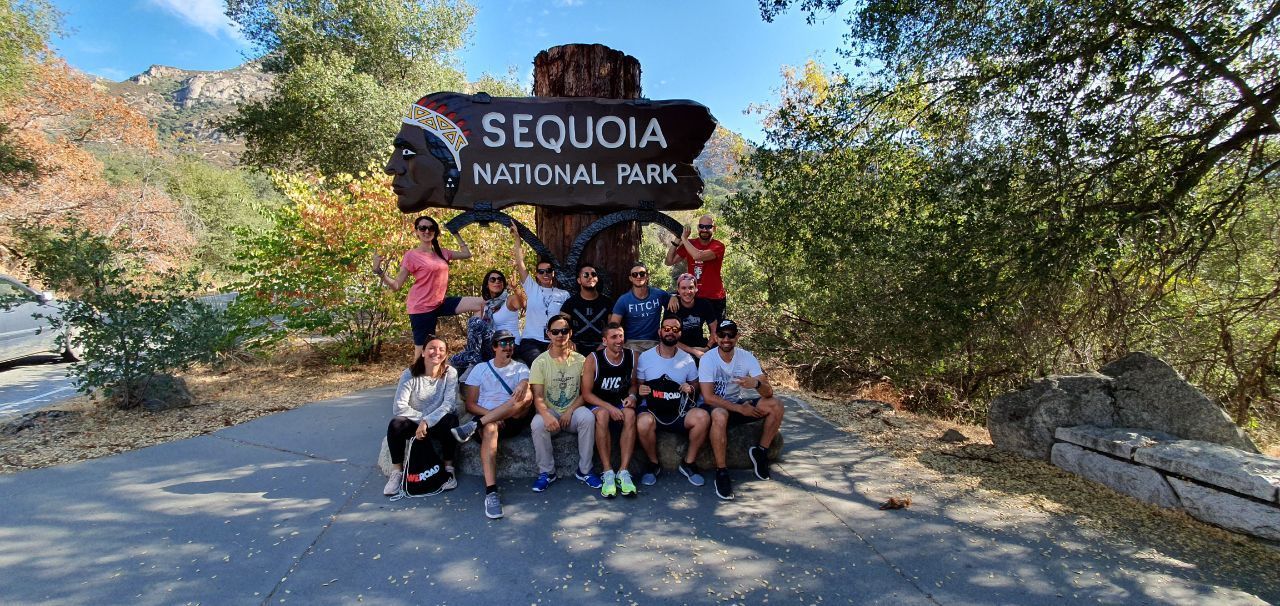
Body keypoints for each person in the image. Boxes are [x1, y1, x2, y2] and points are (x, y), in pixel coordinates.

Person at [372, 215, 483, 361]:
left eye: (431, 228)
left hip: (440, 303)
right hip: (421, 307)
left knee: (481, 304)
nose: (426, 231)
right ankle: (415, 380)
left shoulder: (442, 253)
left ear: (435, 232)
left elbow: (467, 254)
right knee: (423, 352)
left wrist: (456, 233)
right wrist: (379, 271)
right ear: (416, 232)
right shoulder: (411, 255)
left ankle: (472, 352)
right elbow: (396, 285)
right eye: (422, 228)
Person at [698, 320, 785, 501]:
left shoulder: (747, 357)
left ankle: (760, 452)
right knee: (720, 415)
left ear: (737, 337)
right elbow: (708, 397)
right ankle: (721, 471)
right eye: (722, 335)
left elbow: (768, 392)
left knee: (775, 405)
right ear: (715, 337)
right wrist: (740, 408)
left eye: (731, 335)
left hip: (737, 405)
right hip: (714, 408)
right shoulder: (708, 359)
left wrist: (756, 383)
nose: (726, 339)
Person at [456, 329, 533, 519]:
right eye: (503, 344)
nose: (508, 348)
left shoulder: (520, 368)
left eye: (511, 343)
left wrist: (524, 383)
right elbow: (471, 404)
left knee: (527, 395)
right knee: (490, 428)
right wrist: (492, 416)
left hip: (512, 418)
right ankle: (491, 492)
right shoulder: (480, 369)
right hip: (488, 418)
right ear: (494, 347)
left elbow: (525, 388)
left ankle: (474, 426)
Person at [528, 313, 603, 492]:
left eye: (564, 330)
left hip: (573, 410)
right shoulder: (540, 362)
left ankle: (585, 470)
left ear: (570, 333)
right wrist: (545, 415)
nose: (560, 335)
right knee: (537, 424)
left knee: (587, 417)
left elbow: (586, 393)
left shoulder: (580, 360)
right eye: (555, 331)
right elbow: (537, 395)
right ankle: (547, 472)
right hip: (551, 411)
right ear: (548, 334)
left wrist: (570, 411)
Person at [635, 317, 710, 487]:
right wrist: (640, 390)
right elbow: (638, 384)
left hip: (679, 411)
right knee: (643, 422)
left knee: (703, 417)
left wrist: (690, 388)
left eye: (675, 329)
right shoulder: (645, 357)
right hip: (653, 411)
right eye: (666, 328)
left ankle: (688, 463)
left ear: (680, 334)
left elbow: (695, 383)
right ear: (660, 331)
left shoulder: (687, 359)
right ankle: (653, 464)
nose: (670, 332)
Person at [383, 338, 462, 497]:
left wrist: (427, 421)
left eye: (441, 349)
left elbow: (448, 404)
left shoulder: (450, 373)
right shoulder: (409, 374)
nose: (436, 352)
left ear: (446, 354)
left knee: (451, 420)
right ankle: (397, 472)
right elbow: (399, 406)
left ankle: (448, 469)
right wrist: (421, 420)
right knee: (395, 424)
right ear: (423, 352)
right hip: (414, 423)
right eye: (432, 348)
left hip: (437, 422)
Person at [581, 322, 640, 498]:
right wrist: (608, 407)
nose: (619, 340)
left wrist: (632, 397)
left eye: (621, 336)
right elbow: (586, 394)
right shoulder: (593, 358)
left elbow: (633, 385)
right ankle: (607, 472)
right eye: (614, 337)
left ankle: (623, 472)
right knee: (603, 415)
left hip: (620, 402)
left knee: (630, 414)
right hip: (599, 403)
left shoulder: (632, 356)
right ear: (605, 341)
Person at [510, 223, 570, 366]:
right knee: (540, 365)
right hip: (532, 342)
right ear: (536, 275)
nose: (545, 274)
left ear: (553, 273)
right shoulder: (532, 288)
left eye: (548, 271)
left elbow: (568, 320)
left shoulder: (564, 294)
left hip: (556, 340)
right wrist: (517, 239)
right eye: (541, 272)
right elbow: (520, 263)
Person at [450, 269, 523, 373]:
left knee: (475, 322)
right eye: (492, 279)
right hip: (492, 346)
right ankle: (473, 359)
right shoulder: (486, 305)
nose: (497, 281)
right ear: (487, 285)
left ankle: (473, 361)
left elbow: (522, 304)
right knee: (451, 360)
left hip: (508, 344)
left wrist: (516, 289)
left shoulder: (509, 300)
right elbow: (474, 334)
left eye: (500, 279)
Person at [664, 214, 727, 322]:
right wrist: (676, 241)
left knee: (718, 332)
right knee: (691, 328)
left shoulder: (718, 246)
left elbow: (698, 256)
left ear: (714, 228)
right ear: (698, 227)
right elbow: (669, 261)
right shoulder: (691, 243)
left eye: (708, 227)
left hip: (715, 297)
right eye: (702, 226)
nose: (704, 229)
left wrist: (684, 239)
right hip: (694, 295)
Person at [609, 263, 669, 354]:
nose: (638, 276)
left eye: (642, 274)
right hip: (632, 343)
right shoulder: (624, 300)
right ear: (631, 278)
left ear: (647, 276)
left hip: (655, 342)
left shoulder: (658, 294)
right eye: (634, 274)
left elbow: (676, 299)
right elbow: (613, 325)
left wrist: (673, 297)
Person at [560, 261, 614, 356]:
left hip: (602, 348)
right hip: (575, 349)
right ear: (579, 280)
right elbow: (562, 327)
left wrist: (604, 344)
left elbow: (613, 327)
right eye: (586, 275)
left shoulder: (607, 303)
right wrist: (568, 341)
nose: (590, 277)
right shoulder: (569, 304)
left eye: (593, 274)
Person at [665, 272, 719, 362]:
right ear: (678, 290)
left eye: (691, 288)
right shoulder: (673, 306)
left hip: (701, 347)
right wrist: (693, 351)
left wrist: (707, 347)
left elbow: (715, 330)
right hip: (678, 349)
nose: (687, 292)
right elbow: (668, 337)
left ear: (696, 289)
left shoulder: (704, 304)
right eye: (683, 288)